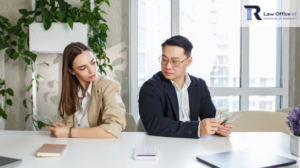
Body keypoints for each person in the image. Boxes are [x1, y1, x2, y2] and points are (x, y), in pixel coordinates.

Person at [138, 35, 233, 138]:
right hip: (164, 145)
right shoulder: (150, 87)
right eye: (164, 59)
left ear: (189, 62)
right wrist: (196, 129)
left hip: (194, 146)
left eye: (174, 62)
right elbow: (154, 124)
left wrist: (220, 128)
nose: (167, 66)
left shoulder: (200, 85)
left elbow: (210, 118)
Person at [45, 42, 126, 138]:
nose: (92, 70)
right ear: (71, 71)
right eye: (83, 68)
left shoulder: (109, 86)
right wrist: (65, 128)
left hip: (99, 149)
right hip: (76, 147)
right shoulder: (72, 90)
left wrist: (70, 132)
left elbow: (113, 130)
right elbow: (79, 127)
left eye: (93, 62)